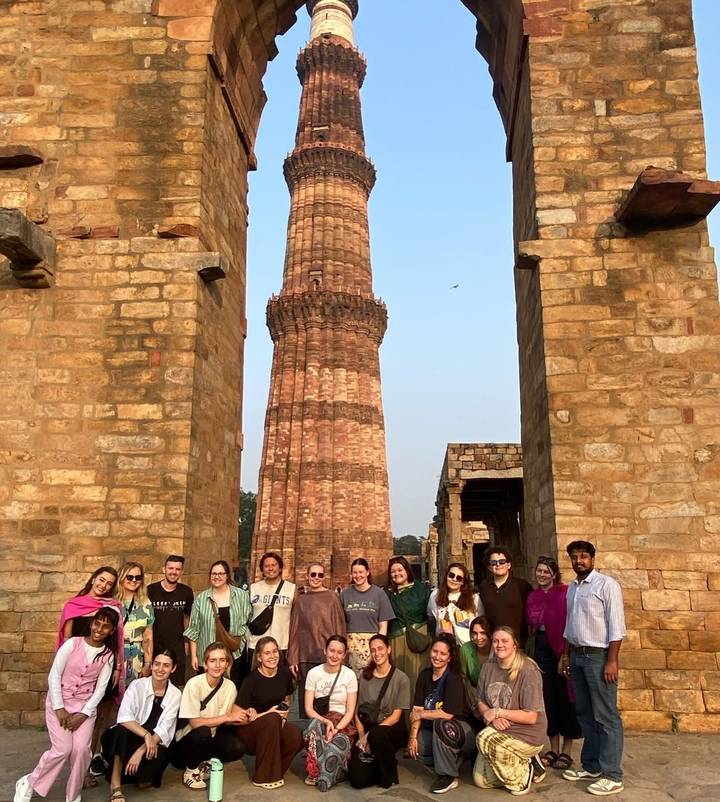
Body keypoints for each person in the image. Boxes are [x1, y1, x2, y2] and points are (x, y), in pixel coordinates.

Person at [14, 607, 120, 802]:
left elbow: (100, 689)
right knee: (62, 749)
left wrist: (84, 714)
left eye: (106, 626)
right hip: (59, 703)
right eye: (97, 623)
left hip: (85, 708)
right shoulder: (72, 644)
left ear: (112, 631)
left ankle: (73, 794)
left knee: (81, 750)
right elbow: (54, 675)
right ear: (91, 623)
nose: (99, 629)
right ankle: (29, 782)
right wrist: (59, 708)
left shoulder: (108, 655)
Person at [560, 541, 626, 796]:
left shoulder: (606, 585)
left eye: (583, 556)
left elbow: (617, 626)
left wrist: (612, 660)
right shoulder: (573, 589)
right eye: (574, 557)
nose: (579, 561)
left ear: (592, 559)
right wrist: (565, 655)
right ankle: (592, 765)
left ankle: (613, 774)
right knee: (585, 713)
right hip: (577, 655)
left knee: (606, 715)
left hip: (599, 657)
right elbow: (570, 625)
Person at [474, 626, 548, 795]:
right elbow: (480, 701)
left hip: (528, 733)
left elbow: (531, 717)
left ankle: (523, 776)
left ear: (514, 645)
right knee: (481, 781)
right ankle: (528, 762)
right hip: (499, 728)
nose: (499, 645)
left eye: (505, 641)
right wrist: (492, 718)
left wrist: (498, 712)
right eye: (496, 641)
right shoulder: (488, 667)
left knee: (484, 739)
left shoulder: (528, 670)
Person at [100, 649, 182, 800]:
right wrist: (146, 735)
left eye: (166, 665)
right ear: (151, 666)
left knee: (148, 775)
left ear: (173, 668)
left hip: (152, 743)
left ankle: (136, 774)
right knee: (121, 732)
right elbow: (124, 718)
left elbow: (165, 729)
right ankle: (115, 785)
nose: (160, 669)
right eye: (157, 664)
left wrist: (141, 750)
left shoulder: (175, 694)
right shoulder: (137, 685)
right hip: (129, 736)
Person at [526, 555, 581, 770]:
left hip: (562, 646)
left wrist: (565, 654)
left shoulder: (564, 594)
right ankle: (553, 748)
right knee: (547, 697)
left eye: (546, 571)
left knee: (566, 697)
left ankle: (567, 751)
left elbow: (569, 622)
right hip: (541, 647)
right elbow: (531, 625)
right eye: (539, 571)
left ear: (554, 574)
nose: (542, 574)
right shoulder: (533, 597)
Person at [171, 642, 247, 789]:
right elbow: (195, 723)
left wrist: (245, 715)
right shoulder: (194, 684)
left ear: (227, 664)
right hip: (186, 743)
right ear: (205, 664)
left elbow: (230, 719)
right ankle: (190, 772)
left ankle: (204, 763)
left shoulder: (230, 686)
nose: (217, 665)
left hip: (211, 737)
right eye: (212, 661)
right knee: (203, 730)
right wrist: (226, 717)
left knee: (237, 747)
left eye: (222, 660)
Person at [408, 633, 476, 795]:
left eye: (443, 653)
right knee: (418, 744)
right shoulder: (424, 675)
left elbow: (447, 714)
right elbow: (416, 709)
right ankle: (451, 762)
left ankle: (449, 776)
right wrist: (411, 737)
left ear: (449, 658)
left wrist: (421, 714)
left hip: (462, 732)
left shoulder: (453, 679)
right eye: (435, 651)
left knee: (440, 723)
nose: (437, 656)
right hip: (437, 732)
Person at [236, 636, 304, 789]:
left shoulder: (284, 673)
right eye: (267, 653)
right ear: (259, 657)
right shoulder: (250, 680)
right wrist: (267, 714)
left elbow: (286, 699)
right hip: (249, 730)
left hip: (273, 725)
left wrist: (284, 716)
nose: (272, 656)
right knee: (273, 718)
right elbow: (236, 717)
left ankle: (275, 770)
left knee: (296, 736)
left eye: (275, 651)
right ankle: (262, 777)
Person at [348, 634, 411, 790]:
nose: (377, 653)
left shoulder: (401, 678)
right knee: (357, 780)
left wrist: (369, 736)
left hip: (389, 728)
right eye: (373, 650)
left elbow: (396, 717)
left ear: (388, 649)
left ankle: (388, 774)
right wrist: (362, 736)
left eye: (381, 648)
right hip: (368, 725)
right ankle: (381, 762)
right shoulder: (364, 676)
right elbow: (357, 712)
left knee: (377, 735)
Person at [287, 562, 346, 714]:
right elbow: (294, 630)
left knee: (329, 702)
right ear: (307, 577)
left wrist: (341, 655)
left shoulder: (332, 597)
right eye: (313, 574)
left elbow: (339, 627)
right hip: (306, 655)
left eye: (320, 575)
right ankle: (309, 736)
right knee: (308, 703)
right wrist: (293, 658)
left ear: (324, 577)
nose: (316, 578)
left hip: (328, 655)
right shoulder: (301, 600)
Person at [184, 559, 251, 687]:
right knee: (208, 689)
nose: (217, 577)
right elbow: (194, 629)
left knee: (232, 689)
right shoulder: (201, 599)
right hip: (209, 653)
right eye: (214, 574)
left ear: (227, 576)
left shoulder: (241, 596)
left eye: (221, 573)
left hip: (234, 652)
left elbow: (248, 618)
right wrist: (194, 656)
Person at [304, 635, 358, 790]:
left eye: (339, 652)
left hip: (342, 722)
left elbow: (350, 711)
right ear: (325, 650)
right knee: (315, 729)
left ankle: (324, 776)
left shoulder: (349, 675)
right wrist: (326, 722)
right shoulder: (314, 673)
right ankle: (330, 772)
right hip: (320, 719)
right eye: (331, 650)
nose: (335, 655)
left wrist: (336, 729)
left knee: (337, 743)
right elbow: (308, 708)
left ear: (344, 654)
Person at [385, 556, 431, 693]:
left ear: (407, 570)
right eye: (393, 571)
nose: (396, 573)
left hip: (419, 638)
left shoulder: (421, 589)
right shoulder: (387, 593)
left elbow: (432, 613)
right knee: (400, 679)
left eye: (400, 569)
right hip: (397, 640)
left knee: (418, 676)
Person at [341, 558, 395, 674]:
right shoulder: (345, 594)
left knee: (371, 679)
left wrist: (379, 647)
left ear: (367, 572)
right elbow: (341, 622)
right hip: (351, 645)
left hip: (372, 645)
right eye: (355, 572)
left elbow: (383, 625)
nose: (358, 575)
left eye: (361, 572)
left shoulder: (379, 594)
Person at [147, 555, 194, 685]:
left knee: (176, 683)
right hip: (156, 643)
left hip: (177, 645)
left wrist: (186, 643)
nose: (174, 572)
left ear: (182, 572)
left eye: (177, 569)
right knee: (153, 681)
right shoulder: (151, 590)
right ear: (164, 569)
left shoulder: (186, 592)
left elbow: (187, 617)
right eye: (170, 568)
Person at [246, 552, 296, 668]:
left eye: (274, 565)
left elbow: (296, 619)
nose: (270, 568)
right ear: (262, 570)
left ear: (280, 568)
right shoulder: (254, 588)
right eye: (267, 566)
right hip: (256, 644)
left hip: (280, 644)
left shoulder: (291, 589)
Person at [478, 548, 533, 647]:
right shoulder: (484, 586)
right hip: (494, 644)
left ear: (509, 565)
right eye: (493, 562)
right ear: (489, 567)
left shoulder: (522, 586)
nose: (498, 565)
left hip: (518, 644)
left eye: (502, 561)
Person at [116, 562, 154, 686]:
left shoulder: (145, 602)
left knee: (132, 695)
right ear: (122, 577)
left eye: (138, 577)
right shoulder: (112, 601)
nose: (134, 580)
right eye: (129, 577)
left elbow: (148, 636)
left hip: (136, 656)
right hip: (115, 655)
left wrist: (148, 663)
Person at [427, 562, 481, 645]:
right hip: (444, 646)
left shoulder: (474, 598)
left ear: (463, 582)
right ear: (446, 576)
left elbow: (480, 619)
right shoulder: (435, 595)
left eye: (459, 578)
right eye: (451, 575)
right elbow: (431, 618)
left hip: (467, 646)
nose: (454, 579)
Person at [458, 616, 492, 713]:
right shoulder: (466, 650)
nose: (478, 638)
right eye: (475, 633)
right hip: (474, 699)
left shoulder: (498, 650)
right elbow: (463, 678)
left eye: (483, 633)